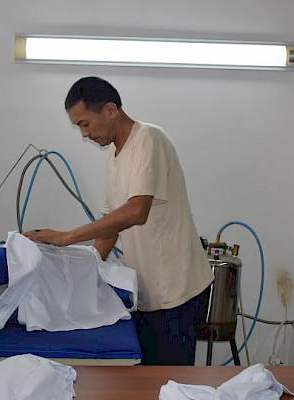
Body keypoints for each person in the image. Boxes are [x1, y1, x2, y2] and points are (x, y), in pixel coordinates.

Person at [23, 76, 213, 365]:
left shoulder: (148, 139)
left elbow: (137, 211)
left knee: (169, 379)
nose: (84, 134)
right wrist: (81, 275)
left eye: (85, 124)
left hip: (176, 290)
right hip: (146, 290)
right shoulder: (113, 155)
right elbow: (111, 225)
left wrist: (66, 237)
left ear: (110, 110)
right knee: (148, 377)